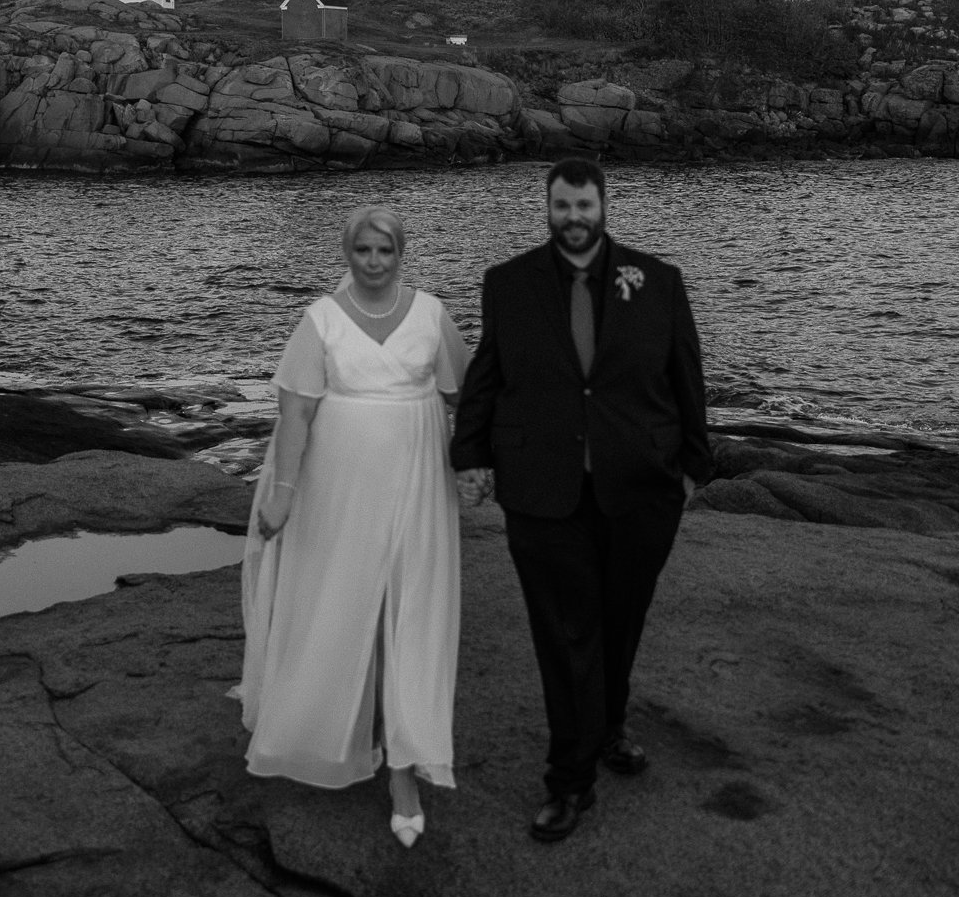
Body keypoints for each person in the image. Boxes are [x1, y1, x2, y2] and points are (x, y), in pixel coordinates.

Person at [451, 156, 713, 843]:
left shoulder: (658, 281)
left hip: (642, 487)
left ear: (603, 207)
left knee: (621, 621)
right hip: (544, 490)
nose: (574, 219)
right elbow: (489, 372)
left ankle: (610, 729)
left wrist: (693, 468)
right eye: (562, 207)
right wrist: (471, 456)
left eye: (584, 207)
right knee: (566, 636)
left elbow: (687, 375)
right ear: (548, 208)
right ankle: (569, 782)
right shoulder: (508, 284)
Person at [235, 204, 469, 847]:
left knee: (409, 613)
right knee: (342, 607)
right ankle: (342, 728)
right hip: (337, 490)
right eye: (363, 251)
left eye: (385, 252)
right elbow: (296, 416)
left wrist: (477, 467)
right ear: (347, 253)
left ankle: (404, 770)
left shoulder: (433, 315)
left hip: (419, 485)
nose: (373, 262)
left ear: (401, 254)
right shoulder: (320, 321)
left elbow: (463, 395)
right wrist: (280, 496)